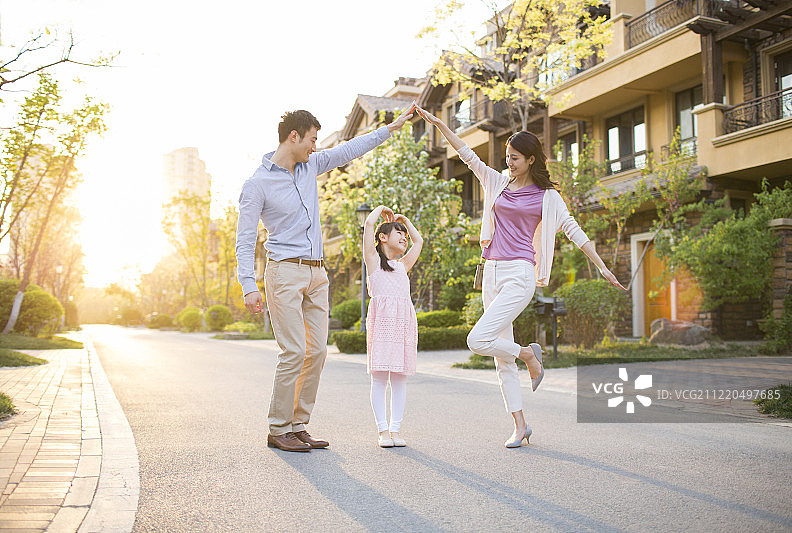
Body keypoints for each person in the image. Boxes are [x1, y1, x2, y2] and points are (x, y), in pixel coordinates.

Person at [416, 105, 625, 448]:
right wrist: (440, 124)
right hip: (491, 272)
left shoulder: (548, 197)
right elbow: (467, 155)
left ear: (530, 159)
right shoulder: (497, 182)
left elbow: (573, 230)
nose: (509, 162)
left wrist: (602, 266)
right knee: (501, 359)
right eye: (507, 156)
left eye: (515, 158)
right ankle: (520, 425)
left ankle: (528, 354)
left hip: (520, 273)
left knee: (477, 340)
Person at [236, 106, 414, 453]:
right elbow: (244, 239)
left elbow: (349, 149)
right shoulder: (257, 184)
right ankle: (278, 428)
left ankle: (298, 424)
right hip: (284, 271)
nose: (315, 147)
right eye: (312, 139)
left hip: (317, 272)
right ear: (294, 136)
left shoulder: (310, 166)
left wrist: (389, 129)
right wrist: (248, 285)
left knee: (317, 352)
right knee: (294, 351)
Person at [361, 206, 423, 448]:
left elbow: (419, 241)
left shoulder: (402, 266)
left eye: (404, 235)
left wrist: (405, 221)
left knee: (399, 379)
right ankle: (383, 431)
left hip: (403, 325)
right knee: (379, 379)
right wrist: (381, 210)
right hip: (382, 326)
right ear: (383, 237)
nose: (404, 238)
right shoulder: (373, 261)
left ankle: (395, 429)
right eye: (399, 233)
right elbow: (368, 225)